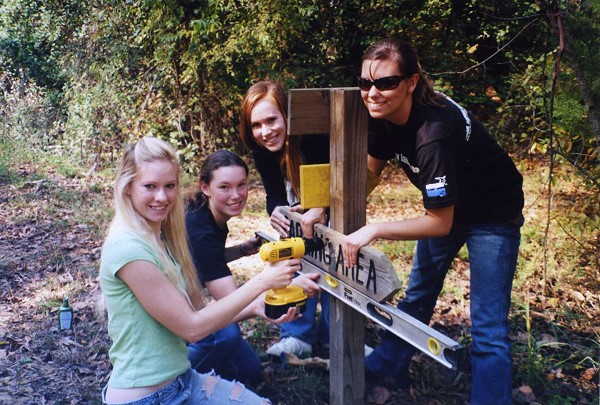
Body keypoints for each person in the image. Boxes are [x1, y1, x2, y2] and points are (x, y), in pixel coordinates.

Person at [342, 39, 524, 405]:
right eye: (365, 83)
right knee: (418, 296)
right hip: (449, 208)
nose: (373, 93)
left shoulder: (433, 133)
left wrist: (375, 228)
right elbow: (369, 174)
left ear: (411, 82)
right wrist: (323, 208)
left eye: (385, 83)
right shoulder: (383, 115)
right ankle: (387, 365)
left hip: (492, 214)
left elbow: (439, 223)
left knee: (487, 326)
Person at [99, 136, 300, 404]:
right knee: (227, 339)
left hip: (183, 379)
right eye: (150, 186)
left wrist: (255, 307)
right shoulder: (128, 248)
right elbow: (192, 328)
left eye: (170, 186)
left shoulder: (158, 235)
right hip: (146, 398)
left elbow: (195, 311)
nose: (162, 197)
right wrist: (264, 281)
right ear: (127, 188)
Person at [185, 149, 320, 384]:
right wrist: (283, 287)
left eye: (242, 185)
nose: (236, 195)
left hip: (187, 307)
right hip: (172, 318)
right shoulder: (199, 229)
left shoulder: (208, 215)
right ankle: (174, 379)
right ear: (205, 188)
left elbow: (204, 260)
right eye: (224, 187)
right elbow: (232, 305)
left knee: (248, 372)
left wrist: (241, 249)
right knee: (225, 335)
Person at [239, 80, 330, 357]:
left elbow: (340, 179)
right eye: (256, 125)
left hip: (331, 211)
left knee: (333, 271)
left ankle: (333, 336)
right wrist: (276, 209)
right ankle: (297, 334)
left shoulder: (314, 136)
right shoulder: (261, 150)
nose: (265, 132)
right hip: (298, 217)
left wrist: (322, 205)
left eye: (271, 120)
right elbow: (273, 194)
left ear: (287, 116)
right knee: (292, 262)